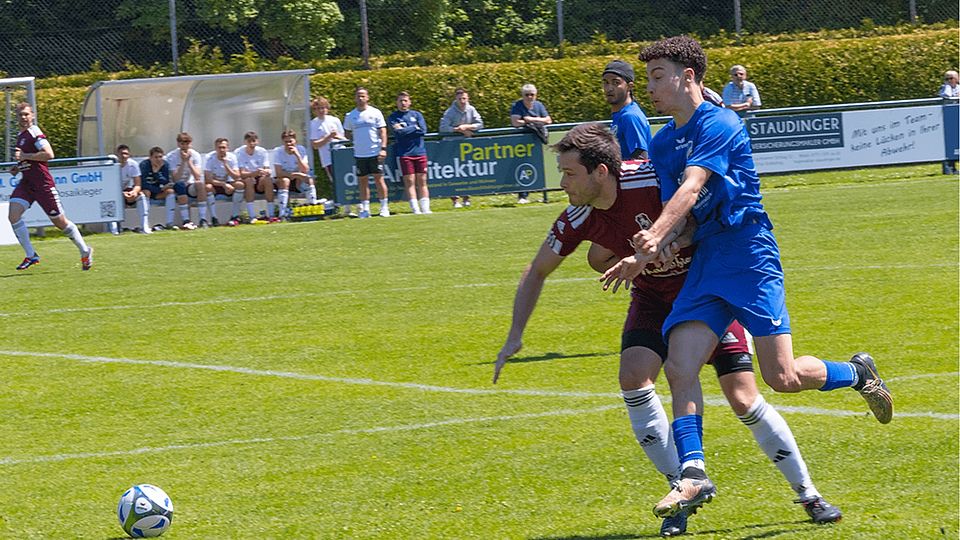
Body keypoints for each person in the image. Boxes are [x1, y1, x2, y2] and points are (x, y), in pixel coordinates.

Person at [494, 123, 841, 536]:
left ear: (600, 172)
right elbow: (536, 270)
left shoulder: (652, 176)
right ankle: (682, 490)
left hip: (705, 294)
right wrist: (515, 334)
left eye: (570, 174)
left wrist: (678, 235)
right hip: (653, 301)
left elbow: (702, 210)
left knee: (745, 398)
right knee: (633, 377)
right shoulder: (577, 218)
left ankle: (808, 493)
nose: (563, 184)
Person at [599, 35, 892, 519]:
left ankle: (857, 373)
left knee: (784, 377)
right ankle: (692, 472)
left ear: (687, 77)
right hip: (709, 260)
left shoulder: (722, 122)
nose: (648, 87)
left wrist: (655, 235)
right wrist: (644, 257)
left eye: (656, 77)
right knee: (679, 365)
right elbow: (689, 220)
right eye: (646, 78)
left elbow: (693, 189)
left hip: (751, 256)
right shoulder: (663, 140)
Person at [7, 102, 93, 270]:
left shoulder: (34, 132)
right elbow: (29, 158)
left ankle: (85, 250)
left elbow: (49, 154)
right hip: (27, 183)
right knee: (13, 215)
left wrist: (24, 155)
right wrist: (18, 167)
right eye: (20, 115)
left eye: (26, 114)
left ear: (32, 115)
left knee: (60, 223)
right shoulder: (21, 135)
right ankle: (31, 255)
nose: (23, 117)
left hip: (42, 184)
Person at [343, 87, 389, 218]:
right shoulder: (350, 116)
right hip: (360, 154)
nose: (360, 98)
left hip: (375, 152)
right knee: (362, 181)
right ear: (355, 98)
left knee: (379, 180)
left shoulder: (375, 113)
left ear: (367, 97)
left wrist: (383, 148)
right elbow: (347, 133)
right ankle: (365, 209)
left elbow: (383, 131)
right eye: (358, 96)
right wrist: (357, 141)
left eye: (363, 96)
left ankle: (384, 208)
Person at [440, 87, 484, 208]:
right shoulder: (450, 112)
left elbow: (480, 124)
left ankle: (466, 199)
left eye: (464, 98)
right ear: (456, 99)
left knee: (467, 172)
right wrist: (458, 130)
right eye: (460, 99)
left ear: (468, 98)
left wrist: (467, 127)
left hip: (466, 147)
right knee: (453, 173)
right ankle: (455, 200)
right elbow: (443, 128)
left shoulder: (471, 109)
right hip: (451, 146)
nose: (462, 101)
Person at [388, 91, 431, 214]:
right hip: (405, 154)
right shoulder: (393, 117)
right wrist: (414, 128)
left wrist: (406, 128)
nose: (403, 103)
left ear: (409, 102)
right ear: (397, 103)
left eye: (405, 100)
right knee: (409, 181)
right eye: (401, 101)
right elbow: (398, 133)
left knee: (422, 180)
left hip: (420, 152)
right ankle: (415, 208)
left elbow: (423, 130)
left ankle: (425, 208)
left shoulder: (417, 115)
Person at [510, 83, 553, 203]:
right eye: (527, 95)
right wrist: (527, 122)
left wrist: (531, 120)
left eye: (532, 95)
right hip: (522, 142)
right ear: (522, 96)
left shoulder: (539, 105)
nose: (530, 97)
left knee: (540, 165)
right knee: (522, 167)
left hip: (537, 140)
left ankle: (544, 194)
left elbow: (548, 120)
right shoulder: (517, 105)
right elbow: (515, 122)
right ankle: (523, 196)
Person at [602, 59, 653, 160]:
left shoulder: (630, 116)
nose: (609, 88)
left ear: (629, 86)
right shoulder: (620, 115)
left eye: (616, 83)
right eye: (606, 82)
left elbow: (641, 160)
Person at [309, 97, 349, 214]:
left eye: (322, 108)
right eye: (317, 109)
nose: (320, 110)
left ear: (327, 108)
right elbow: (315, 145)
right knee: (336, 182)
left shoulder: (335, 120)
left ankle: (354, 206)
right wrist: (328, 137)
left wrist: (336, 137)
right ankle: (343, 206)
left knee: (347, 179)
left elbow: (344, 139)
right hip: (327, 158)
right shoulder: (313, 124)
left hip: (340, 154)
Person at [165, 132, 212, 229]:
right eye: (182, 143)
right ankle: (186, 220)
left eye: (187, 143)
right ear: (178, 144)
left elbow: (197, 176)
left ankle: (202, 219)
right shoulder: (172, 156)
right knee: (180, 184)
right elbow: (175, 178)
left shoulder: (195, 155)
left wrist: (189, 161)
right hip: (176, 185)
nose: (185, 146)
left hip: (190, 184)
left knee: (200, 184)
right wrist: (183, 162)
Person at [273, 129, 318, 219]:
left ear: (295, 141)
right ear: (283, 142)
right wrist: (295, 174)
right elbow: (278, 173)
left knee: (309, 179)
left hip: (298, 179)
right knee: (285, 181)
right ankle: (282, 213)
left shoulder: (301, 149)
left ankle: (313, 208)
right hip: (283, 179)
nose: (289, 144)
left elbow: (305, 169)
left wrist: (297, 155)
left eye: (290, 141)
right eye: (286, 142)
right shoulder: (278, 151)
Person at [235, 131, 278, 223]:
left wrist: (266, 171)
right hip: (247, 178)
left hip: (259, 178)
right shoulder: (239, 152)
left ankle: (271, 214)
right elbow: (241, 173)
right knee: (249, 181)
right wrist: (254, 173)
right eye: (249, 141)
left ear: (257, 141)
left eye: (253, 141)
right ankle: (252, 216)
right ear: (245, 142)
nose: (251, 143)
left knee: (268, 180)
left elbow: (266, 168)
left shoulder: (262, 151)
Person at [204, 137, 243, 225]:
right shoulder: (209, 157)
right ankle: (214, 218)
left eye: (223, 147)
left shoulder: (232, 157)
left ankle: (235, 215)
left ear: (227, 148)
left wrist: (226, 165)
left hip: (228, 183)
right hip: (216, 184)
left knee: (240, 185)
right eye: (219, 147)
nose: (221, 150)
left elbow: (237, 176)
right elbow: (208, 178)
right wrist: (223, 184)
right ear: (215, 148)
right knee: (207, 187)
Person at [112, 144, 150, 234]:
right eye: (121, 153)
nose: (124, 156)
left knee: (141, 196)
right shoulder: (111, 164)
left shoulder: (133, 164)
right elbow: (108, 186)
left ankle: (144, 226)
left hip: (126, 190)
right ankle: (114, 229)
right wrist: (121, 193)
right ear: (117, 154)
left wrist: (134, 192)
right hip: (113, 193)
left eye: (126, 154)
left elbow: (138, 184)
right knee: (112, 199)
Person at [139, 146, 177, 230]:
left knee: (170, 191)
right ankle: (145, 224)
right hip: (149, 191)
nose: (158, 159)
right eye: (155, 157)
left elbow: (165, 181)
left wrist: (157, 172)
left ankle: (169, 223)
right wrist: (159, 189)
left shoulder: (165, 165)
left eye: (160, 157)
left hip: (158, 192)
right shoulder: (144, 165)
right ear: (150, 157)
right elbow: (143, 184)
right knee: (146, 192)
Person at [937, 70, 958, 175]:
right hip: (948, 121)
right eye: (947, 79)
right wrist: (948, 87)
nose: (949, 81)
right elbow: (947, 96)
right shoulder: (944, 88)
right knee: (950, 144)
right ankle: (950, 168)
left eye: (951, 78)